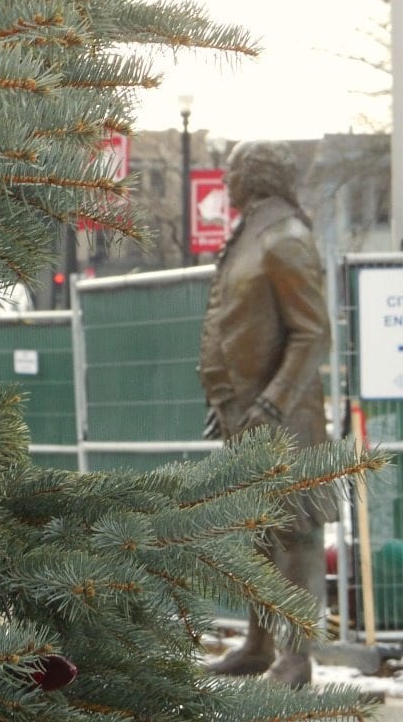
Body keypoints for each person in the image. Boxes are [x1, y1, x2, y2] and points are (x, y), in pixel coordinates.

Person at [198, 139, 336, 687]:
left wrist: (271, 403)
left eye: (231, 170)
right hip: (244, 417)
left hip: (285, 419)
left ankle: (296, 657)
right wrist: (226, 403)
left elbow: (312, 333)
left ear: (252, 177)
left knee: (297, 536)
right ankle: (258, 644)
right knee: (255, 532)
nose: (225, 179)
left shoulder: (283, 238)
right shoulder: (253, 232)